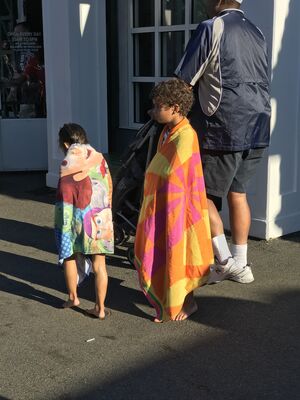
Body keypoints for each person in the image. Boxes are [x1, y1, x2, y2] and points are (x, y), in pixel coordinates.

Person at [175, 0, 271, 283]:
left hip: (224, 126)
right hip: (258, 124)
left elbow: (184, 80)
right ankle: (242, 265)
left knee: (202, 196)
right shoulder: (257, 31)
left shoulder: (211, 27)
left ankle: (225, 261)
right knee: (238, 193)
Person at [134, 78, 214, 322]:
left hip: (181, 208)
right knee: (168, 252)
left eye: (159, 106)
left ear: (175, 108)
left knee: (181, 252)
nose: (153, 111)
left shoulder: (186, 136)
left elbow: (175, 172)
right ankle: (169, 299)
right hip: (167, 204)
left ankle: (187, 302)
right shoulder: (168, 132)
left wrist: (154, 177)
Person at [55, 123, 114, 319]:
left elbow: (65, 194)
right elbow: (109, 185)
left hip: (76, 217)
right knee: (100, 265)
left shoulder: (69, 160)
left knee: (70, 255)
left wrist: (62, 224)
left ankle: (73, 297)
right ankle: (101, 308)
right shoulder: (98, 157)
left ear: (65, 143)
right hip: (100, 216)